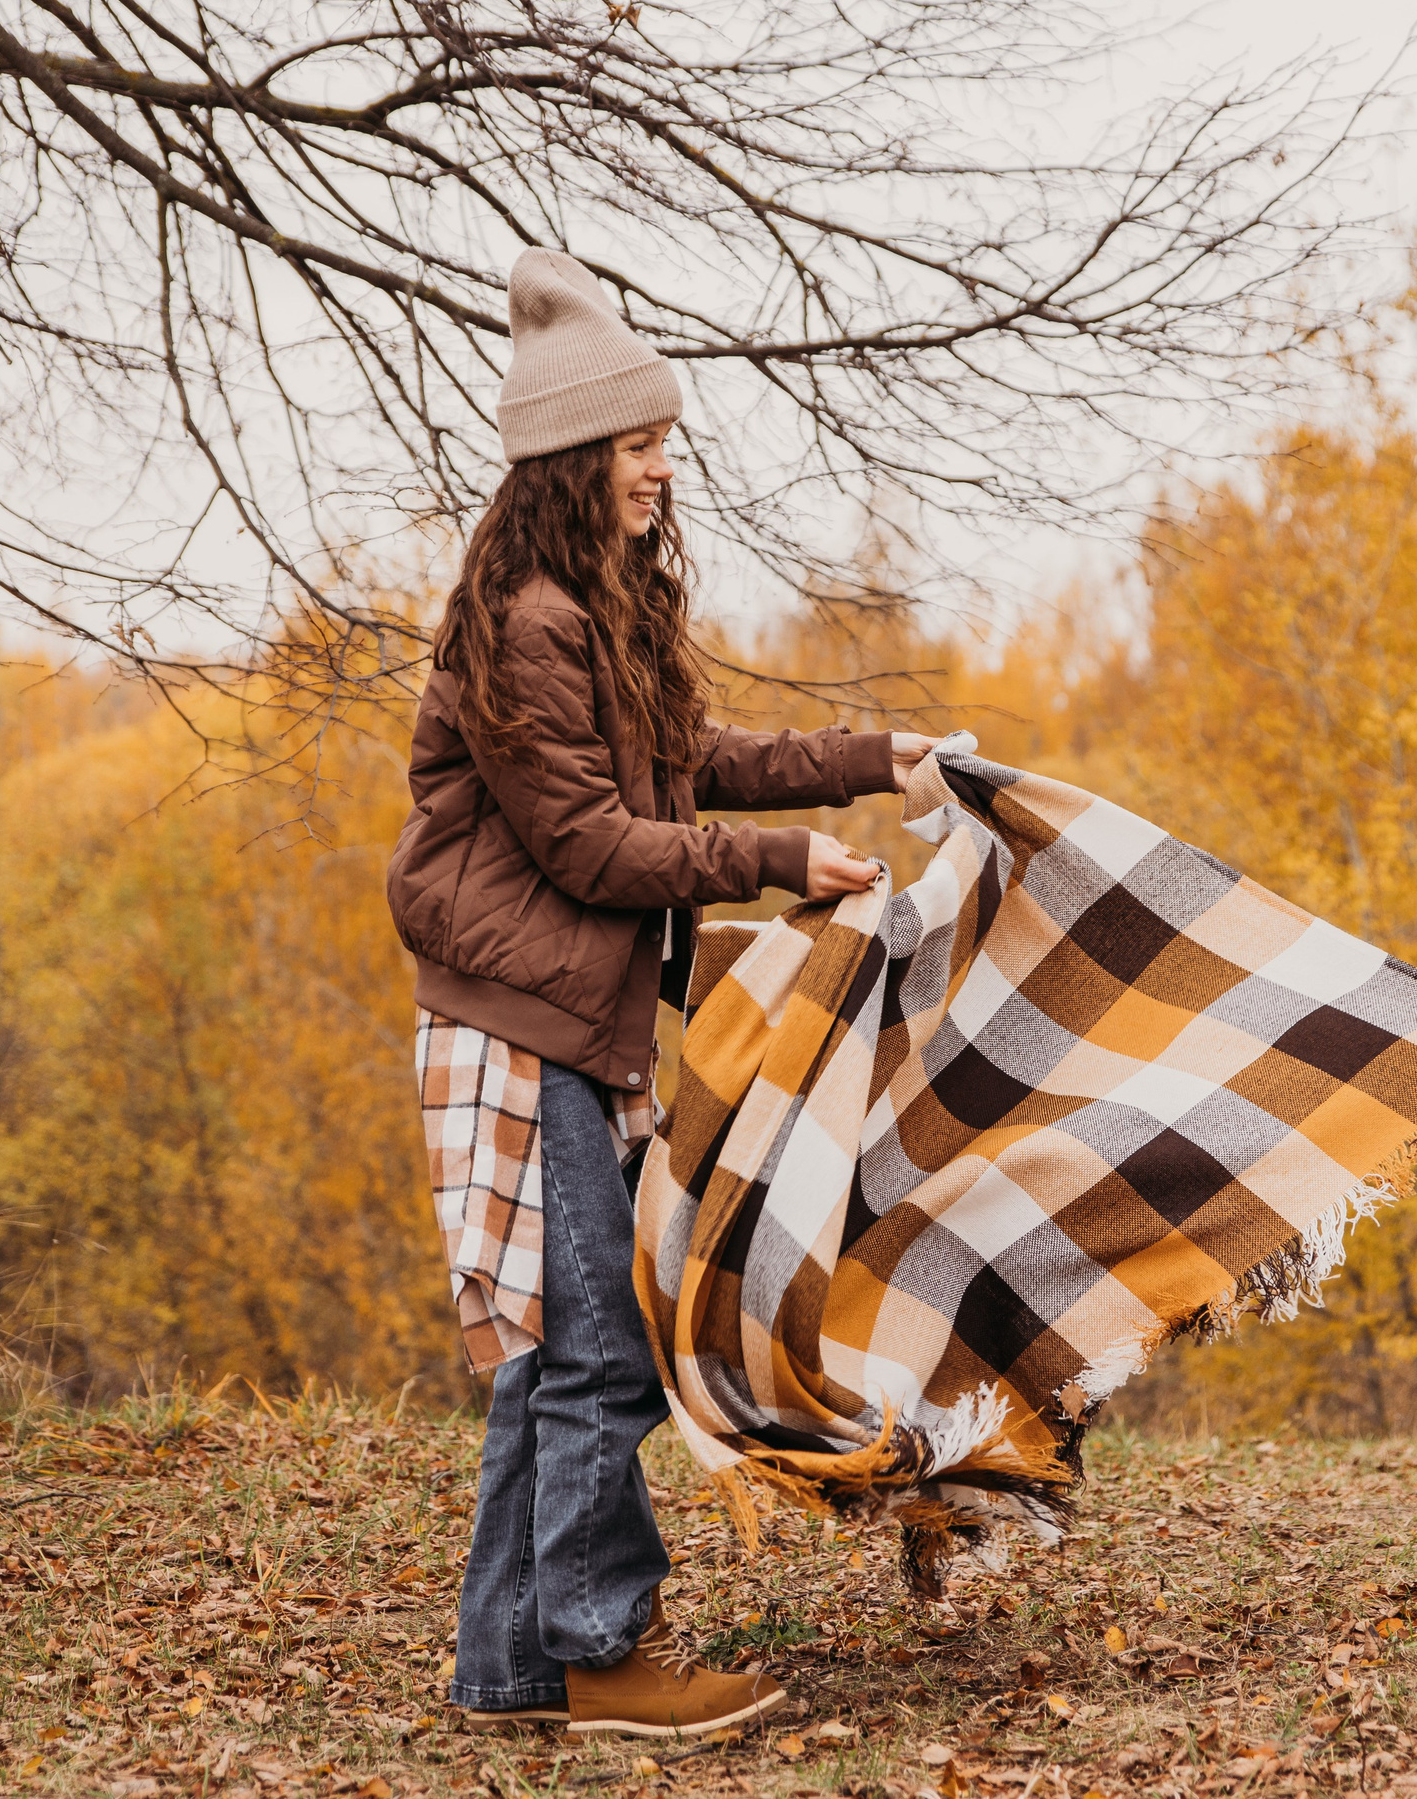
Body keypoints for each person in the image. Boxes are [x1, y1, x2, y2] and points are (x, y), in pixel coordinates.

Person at [386, 248, 937, 1736]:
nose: (662, 467)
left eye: (663, 441)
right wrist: (775, 863)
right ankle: (590, 1646)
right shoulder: (524, 626)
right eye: (643, 444)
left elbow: (701, 763)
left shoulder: (591, 607)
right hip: (514, 1027)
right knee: (599, 1345)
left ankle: (510, 1671)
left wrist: (875, 761)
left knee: (560, 1357)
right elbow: (590, 845)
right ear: (576, 457)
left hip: (569, 1023)